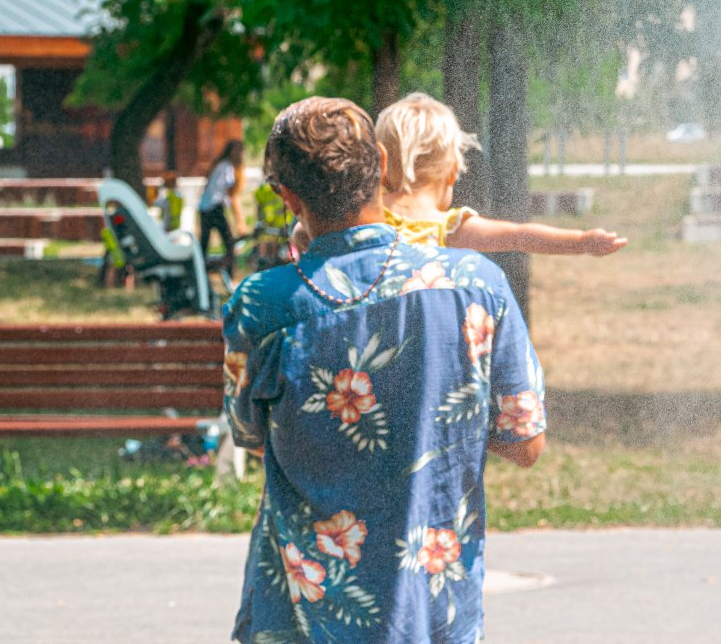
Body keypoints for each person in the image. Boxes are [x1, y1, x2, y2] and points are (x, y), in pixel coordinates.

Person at [223, 97, 546, 643]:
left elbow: (251, 436)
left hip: (302, 615)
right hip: (429, 611)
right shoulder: (475, 284)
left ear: (287, 194)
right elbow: (524, 443)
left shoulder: (261, 305)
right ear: (379, 160)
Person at [286, 92, 628, 259]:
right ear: (452, 172)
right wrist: (581, 242)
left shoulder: (367, 216)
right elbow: (520, 235)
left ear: (381, 161)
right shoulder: (448, 228)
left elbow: (304, 231)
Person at [199, 140, 245, 279]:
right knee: (229, 243)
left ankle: (200, 273)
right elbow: (230, 195)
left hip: (204, 207)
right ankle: (230, 276)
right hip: (214, 208)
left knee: (204, 245)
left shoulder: (219, 165)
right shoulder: (227, 167)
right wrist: (239, 221)